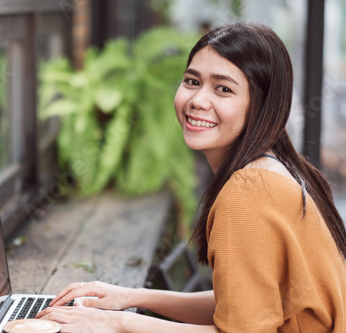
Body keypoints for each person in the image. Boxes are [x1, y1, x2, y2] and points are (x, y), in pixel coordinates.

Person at [36, 22, 346, 332]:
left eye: (223, 88)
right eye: (192, 81)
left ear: (261, 106)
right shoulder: (276, 166)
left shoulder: (249, 191)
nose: (198, 100)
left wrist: (115, 323)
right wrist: (128, 297)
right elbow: (245, 306)